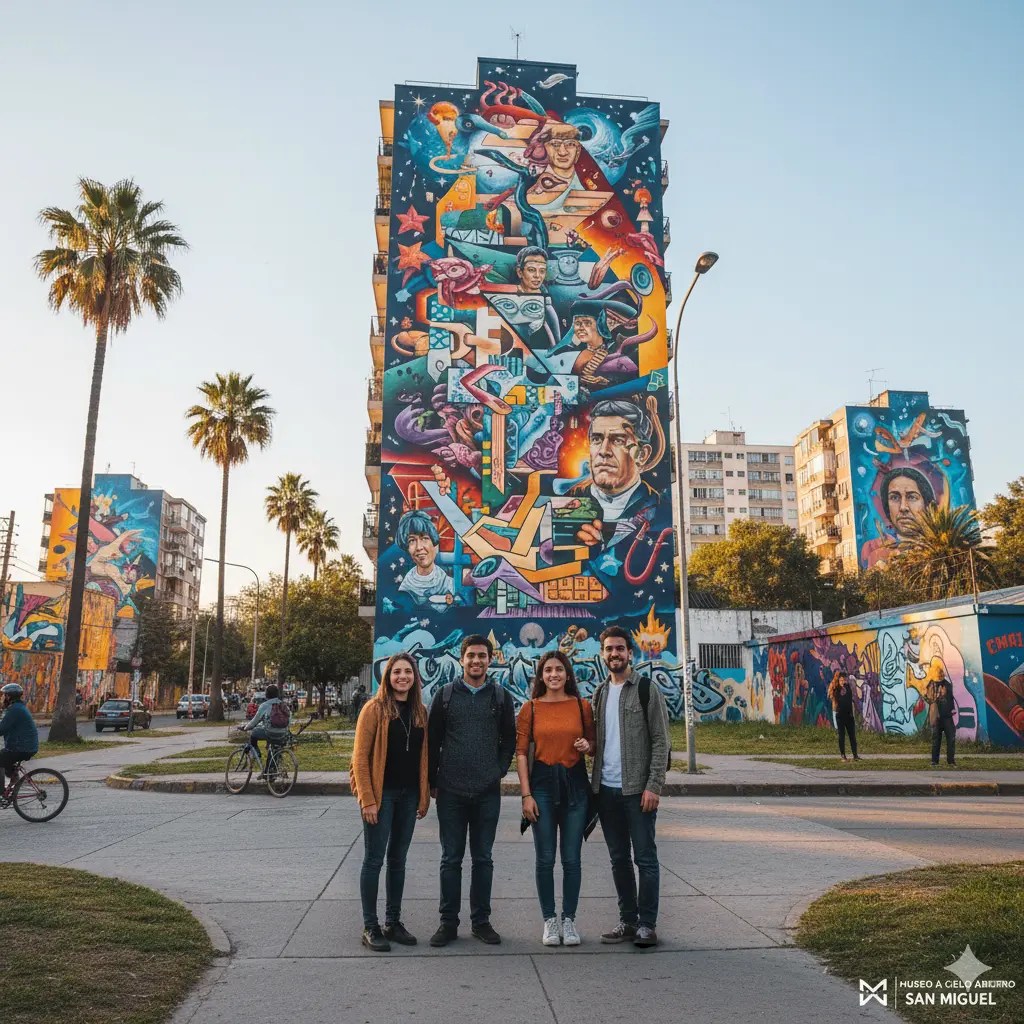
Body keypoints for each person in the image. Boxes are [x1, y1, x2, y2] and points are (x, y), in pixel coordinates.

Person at [427, 634, 516, 947]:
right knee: (451, 859)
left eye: (482, 656)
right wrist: (432, 781)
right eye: (471, 656)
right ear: (461, 659)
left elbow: (509, 741)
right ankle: (448, 924)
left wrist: (498, 771)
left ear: (489, 660)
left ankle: (481, 922)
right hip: (450, 793)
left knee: (483, 859)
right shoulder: (445, 695)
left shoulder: (502, 697)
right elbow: (432, 740)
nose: (476, 661)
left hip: (487, 793)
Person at [589, 626, 670, 948]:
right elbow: (601, 743)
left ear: (629, 653)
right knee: (618, 859)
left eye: (619, 649)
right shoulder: (600, 693)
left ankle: (647, 925)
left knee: (645, 859)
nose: (614, 654)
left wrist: (654, 786)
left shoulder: (647, 690)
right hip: (606, 791)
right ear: (602, 654)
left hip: (638, 791)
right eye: (609, 649)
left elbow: (662, 741)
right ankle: (628, 921)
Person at [351, 654, 430, 952]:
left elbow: (423, 758)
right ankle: (370, 926)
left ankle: (392, 922)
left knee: (398, 860)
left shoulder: (420, 712)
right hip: (381, 797)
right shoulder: (374, 709)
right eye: (396, 672)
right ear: (387, 677)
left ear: (414, 677)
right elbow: (359, 758)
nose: (402, 677)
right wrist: (368, 800)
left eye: (408, 672)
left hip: (409, 797)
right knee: (374, 859)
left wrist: (423, 796)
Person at [517, 650, 595, 946]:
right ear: (541, 675)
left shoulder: (581, 706)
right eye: (548, 670)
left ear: (567, 674)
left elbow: (594, 745)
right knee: (546, 857)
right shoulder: (531, 708)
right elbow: (522, 753)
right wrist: (526, 795)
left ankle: (569, 920)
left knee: (572, 859)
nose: (553, 675)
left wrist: (587, 745)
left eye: (559, 670)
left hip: (575, 785)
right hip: (542, 787)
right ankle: (550, 920)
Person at [396, 511, 454, 606]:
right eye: (412, 541)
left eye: (424, 538)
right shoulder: (405, 588)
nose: (419, 547)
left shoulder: (449, 584)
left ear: (434, 542)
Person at [238, 683, 289, 774]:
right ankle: (270, 772)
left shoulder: (264, 705)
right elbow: (289, 718)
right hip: (283, 732)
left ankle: (256, 753)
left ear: (266, 694)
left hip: (269, 732)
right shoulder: (283, 705)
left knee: (254, 733)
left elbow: (254, 721)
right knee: (273, 748)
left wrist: (246, 728)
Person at [0, 683, 39, 791]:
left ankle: (2, 790)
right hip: (24, 746)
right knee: (4, 757)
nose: (3, 698)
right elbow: (5, 723)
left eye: (4, 695)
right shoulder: (17, 707)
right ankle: (13, 776)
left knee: (1, 758)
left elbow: (2, 729)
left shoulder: (14, 710)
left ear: (9, 696)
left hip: (22, 747)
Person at [924, 663, 957, 766]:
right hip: (937, 717)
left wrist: (944, 695)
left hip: (947, 716)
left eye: (941, 672)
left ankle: (950, 761)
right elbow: (927, 698)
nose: (940, 674)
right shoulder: (931, 684)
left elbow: (950, 700)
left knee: (950, 739)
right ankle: (934, 761)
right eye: (939, 672)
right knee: (936, 740)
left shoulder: (947, 685)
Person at [827, 671, 860, 761]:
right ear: (838, 680)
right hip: (840, 715)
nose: (843, 682)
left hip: (849, 715)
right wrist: (835, 683)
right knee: (841, 736)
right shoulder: (836, 689)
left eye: (844, 680)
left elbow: (853, 693)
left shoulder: (848, 687)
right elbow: (831, 694)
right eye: (841, 680)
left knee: (852, 736)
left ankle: (855, 755)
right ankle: (843, 755)